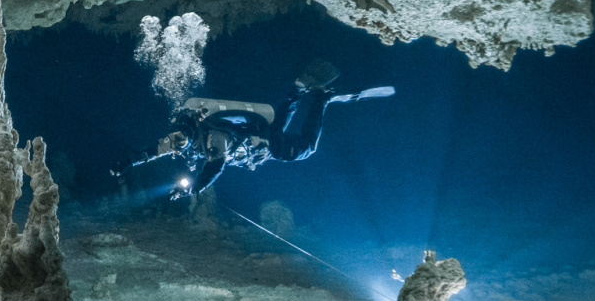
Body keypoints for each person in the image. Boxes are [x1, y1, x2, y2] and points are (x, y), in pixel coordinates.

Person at [121, 60, 393, 199]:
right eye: (177, 140)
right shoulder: (179, 137)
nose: (178, 143)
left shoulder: (214, 137)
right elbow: (153, 151)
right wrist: (127, 162)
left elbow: (216, 166)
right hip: (259, 136)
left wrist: (194, 189)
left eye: (180, 139)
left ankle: (320, 98)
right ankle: (298, 90)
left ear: (192, 131)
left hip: (262, 146)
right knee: (276, 126)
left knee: (306, 148)